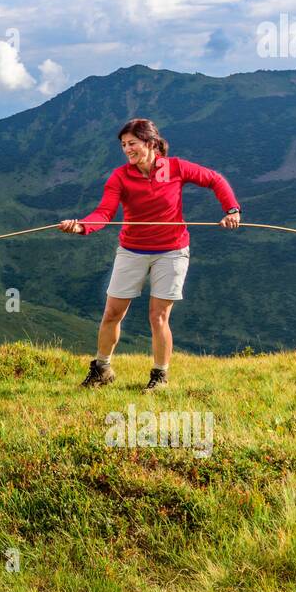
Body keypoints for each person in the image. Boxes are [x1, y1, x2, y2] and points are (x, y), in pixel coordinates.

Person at [60, 118, 241, 391]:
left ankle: (159, 377)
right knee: (112, 313)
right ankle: (102, 369)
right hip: (132, 250)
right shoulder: (120, 176)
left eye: (132, 143)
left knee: (158, 317)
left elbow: (214, 179)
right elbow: (105, 214)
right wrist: (83, 226)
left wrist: (231, 210)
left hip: (172, 252)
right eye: (123, 145)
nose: (127, 149)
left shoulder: (176, 167)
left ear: (151, 143)